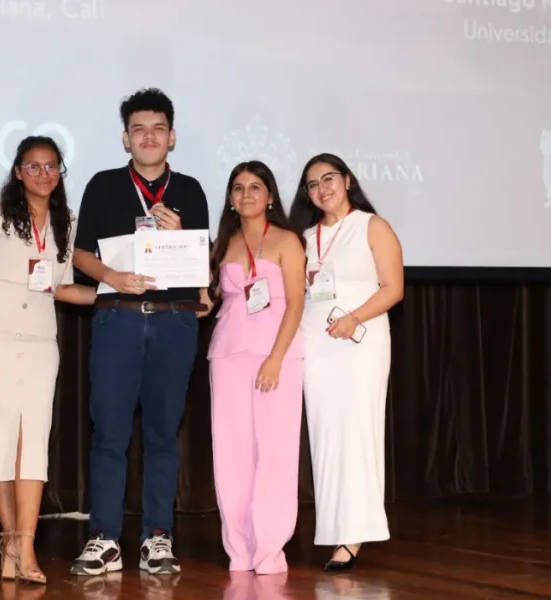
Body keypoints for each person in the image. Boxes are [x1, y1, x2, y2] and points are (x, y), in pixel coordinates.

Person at [70, 88, 212, 576]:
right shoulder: (104, 185)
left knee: (162, 434)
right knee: (108, 432)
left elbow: (203, 263)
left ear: (172, 137)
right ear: (125, 139)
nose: (148, 137)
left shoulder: (190, 190)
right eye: (138, 129)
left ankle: (158, 537)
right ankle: (105, 538)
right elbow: (80, 255)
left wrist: (181, 237)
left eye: (157, 128)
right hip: (119, 317)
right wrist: (112, 277)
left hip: (174, 320)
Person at [0, 135, 96, 584]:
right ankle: (10, 538)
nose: (43, 175)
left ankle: (24, 545)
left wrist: (110, 293)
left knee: (32, 444)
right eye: (34, 167)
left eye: (52, 167)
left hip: (38, 343)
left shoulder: (67, 221)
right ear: (17, 172)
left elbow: (61, 287)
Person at [289, 152, 404, 571]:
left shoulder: (373, 226)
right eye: (313, 184)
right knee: (325, 436)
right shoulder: (303, 237)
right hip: (316, 345)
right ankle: (335, 529)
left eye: (329, 178)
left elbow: (394, 289)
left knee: (358, 431)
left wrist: (355, 317)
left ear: (348, 180)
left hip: (361, 341)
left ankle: (354, 534)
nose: (323, 189)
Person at [206, 161, 306, 575]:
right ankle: (240, 548)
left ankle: (270, 549)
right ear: (230, 198)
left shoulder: (286, 241)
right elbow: (210, 300)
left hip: (277, 355)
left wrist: (275, 359)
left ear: (270, 196)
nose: (246, 195)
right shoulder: (221, 244)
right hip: (228, 354)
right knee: (231, 453)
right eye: (238, 188)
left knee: (276, 452)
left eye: (255, 187)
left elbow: (297, 303)